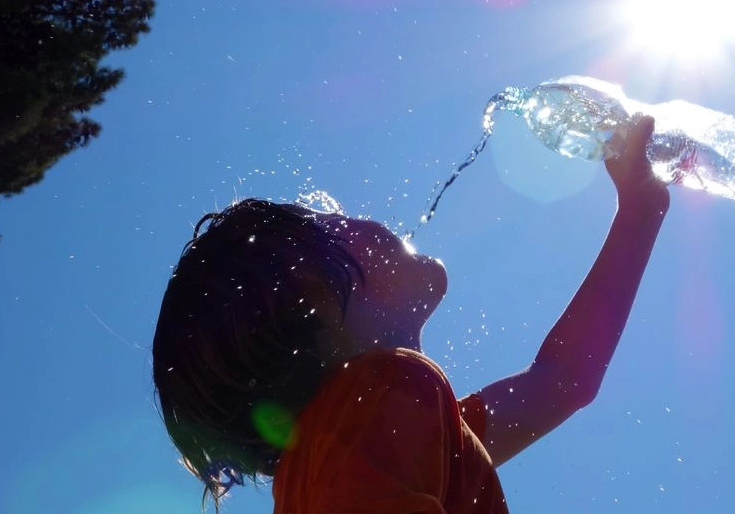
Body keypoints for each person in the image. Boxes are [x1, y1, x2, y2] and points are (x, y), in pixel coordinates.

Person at [152, 116, 670, 513]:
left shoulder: (381, 436)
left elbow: (562, 380)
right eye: (331, 220)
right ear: (316, 295)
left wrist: (640, 210)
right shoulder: (378, 396)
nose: (357, 215)